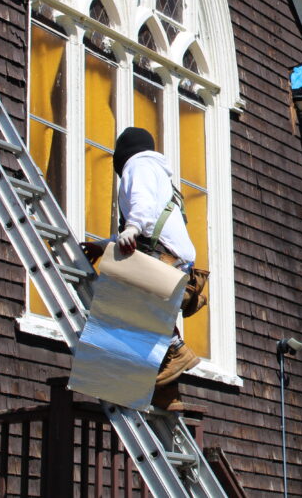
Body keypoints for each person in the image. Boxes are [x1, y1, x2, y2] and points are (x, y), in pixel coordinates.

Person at [82, 127, 201, 411]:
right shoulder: (159, 172)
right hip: (172, 257)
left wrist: (132, 227)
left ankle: (175, 350)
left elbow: (142, 205)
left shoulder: (139, 164)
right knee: (147, 321)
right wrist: (102, 245)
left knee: (120, 308)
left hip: (159, 254)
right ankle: (166, 395)